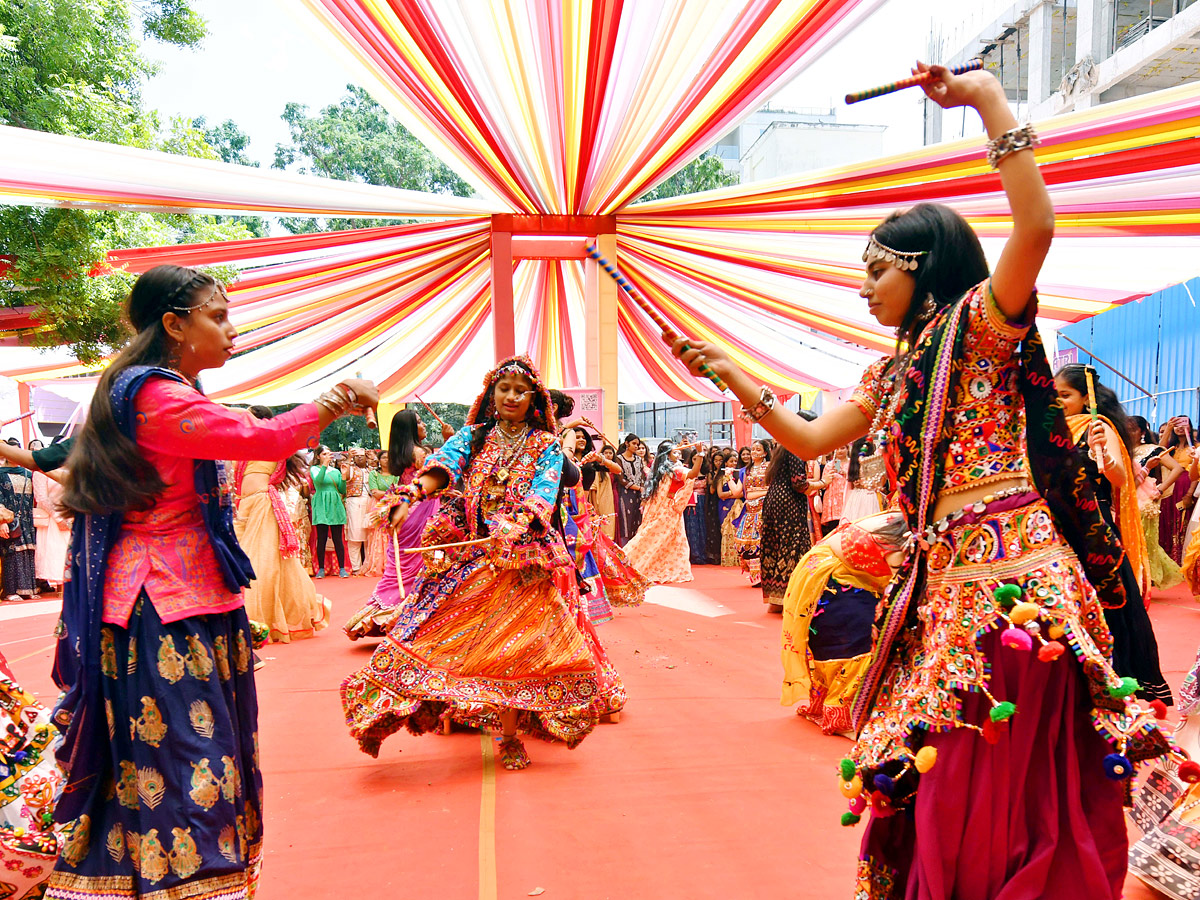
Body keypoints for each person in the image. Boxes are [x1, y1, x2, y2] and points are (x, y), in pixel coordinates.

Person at [669, 64, 1169, 899]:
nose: (864, 288)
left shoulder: (979, 324)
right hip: (946, 593)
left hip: (1016, 599)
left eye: (878, 271)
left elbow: (1035, 227)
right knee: (945, 781)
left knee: (1003, 782)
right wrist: (734, 375)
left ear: (922, 267)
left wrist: (987, 103)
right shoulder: (892, 371)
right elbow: (808, 432)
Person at [44, 264, 377, 900]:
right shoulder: (154, 397)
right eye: (217, 317)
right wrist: (336, 398)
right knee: (189, 763)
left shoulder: (158, 390)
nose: (232, 330)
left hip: (189, 594)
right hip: (159, 603)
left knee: (183, 760)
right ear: (174, 325)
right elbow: (266, 437)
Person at [341, 356, 606, 771]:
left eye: (521, 390)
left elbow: (545, 489)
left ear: (534, 397)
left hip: (522, 562)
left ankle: (510, 736)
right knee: (431, 630)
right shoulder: (474, 436)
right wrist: (410, 498)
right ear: (491, 394)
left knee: (516, 651)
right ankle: (406, 703)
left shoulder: (546, 445)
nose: (512, 396)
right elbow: (444, 466)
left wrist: (519, 522)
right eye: (505, 388)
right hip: (473, 557)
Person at [1054, 365, 1172, 705]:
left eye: (1066, 395)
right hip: (1058, 529)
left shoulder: (1098, 427)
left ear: (1086, 398)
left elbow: (1121, 480)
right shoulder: (1052, 430)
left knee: (1103, 604)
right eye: (1055, 394)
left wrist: (1105, 456)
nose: (1058, 401)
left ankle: (1109, 681)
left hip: (1094, 529)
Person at [781, 511, 910, 736]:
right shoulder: (899, 544)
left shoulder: (896, 520)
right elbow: (901, 594)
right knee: (866, 637)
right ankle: (843, 711)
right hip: (833, 585)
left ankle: (834, 701)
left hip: (829, 577)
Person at [232, 407, 332, 644]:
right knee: (247, 560)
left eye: (251, 417)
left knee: (263, 563)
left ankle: (257, 621)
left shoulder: (271, 444)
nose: (245, 421)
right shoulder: (243, 448)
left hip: (262, 505)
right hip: (243, 506)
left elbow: (298, 431)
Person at [344, 410, 441, 641]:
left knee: (401, 565)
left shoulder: (400, 454)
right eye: (418, 422)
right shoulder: (419, 453)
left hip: (405, 514)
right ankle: (408, 615)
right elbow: (440, 476)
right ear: (409, 428)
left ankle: (386, 612)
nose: (424, 424)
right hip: (420, 511)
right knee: (420, 564)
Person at [621, 443, 704, 584]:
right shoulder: (674, 469)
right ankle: (629, 563)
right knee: (663, 540)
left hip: (656, 509)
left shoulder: (658, 470)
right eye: (675, 452)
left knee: (649, 538)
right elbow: (693, 474)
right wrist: (700, 454)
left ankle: (625, 562)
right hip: (668, 510)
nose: (678, 455)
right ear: (667, 455)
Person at [1130, 415, 1184, 592]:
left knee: (1144, 541)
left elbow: (1177, 468)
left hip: (1146, 500)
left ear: (1142, 432)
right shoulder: (1123, 449)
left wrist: (1161, 488)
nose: (1129, 432)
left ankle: (1142, 581)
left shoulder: (1153, 449)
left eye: (1133, 429)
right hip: (1126, 499)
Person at [759, 445, 813, 613]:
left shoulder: (781, 450)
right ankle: (790, 599)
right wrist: (823, 482)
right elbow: (799, 484)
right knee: (793, 547)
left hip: (773, 500)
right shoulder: (796, 449)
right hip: (789, 502)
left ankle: (775, 601)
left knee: (774, 547)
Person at [0, 446, 37, 602]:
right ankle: (11, 591)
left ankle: (28, 588)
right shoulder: (0, 474)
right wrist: (1, 521)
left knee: (27, 551)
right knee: (11, 552)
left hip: (27, 519)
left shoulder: (29, 474)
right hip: (9, 519)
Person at [1160, 416, 1198, 564]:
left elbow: (1197, 474)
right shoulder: (1171, 448)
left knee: (1183, 521)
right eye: (1177, 425)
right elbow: (1159, 451)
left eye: (1184, 424)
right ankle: (1168, 558)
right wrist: (1168, 428)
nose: (1180, 427)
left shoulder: (1195, 448)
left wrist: (1189, 494)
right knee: (1167, 519)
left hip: (1187, 487)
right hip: (1170, 487)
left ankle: (1182, 558)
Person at [32, 444, 70, 591]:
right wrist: (59, 517)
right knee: (55, 553)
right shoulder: (41, 471)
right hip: (52, 517)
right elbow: (41, 498)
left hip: (71, 515)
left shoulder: (72, 470)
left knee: (68, 552)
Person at [734, 439, 771, 586]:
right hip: (750, 510)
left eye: (758, 450)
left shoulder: (768, 468)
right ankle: (756, 576)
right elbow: (740, 492)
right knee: (746, 544)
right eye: (753, 449)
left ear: (765, 453)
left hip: (763, 509)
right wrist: (729, 478)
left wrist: (757, 493)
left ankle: (763, 575)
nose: (754, 452)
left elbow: (771, 487)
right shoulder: (747, 470)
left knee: (762, 542)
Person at [309, 446, 348, 578]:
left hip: (335, 503)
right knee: (322, 537)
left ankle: (342, 568)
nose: (328, 456)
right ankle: (321, 568)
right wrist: (324, 466)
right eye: (324, 454)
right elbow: (318, 481)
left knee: (338, 538)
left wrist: (343, 476)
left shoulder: (336, 471)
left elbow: (342, 490)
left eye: (329, 454)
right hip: (321, 503)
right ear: (318, 456)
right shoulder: (314, 469)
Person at [342, 448, 372, 574]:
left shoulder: (372, 470)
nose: (359, 458)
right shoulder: (349, 468)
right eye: (356, 456)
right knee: (355, 534)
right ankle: (356, 567)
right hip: (355, 501)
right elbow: (346, 477)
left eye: (362, 456)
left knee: (369, 534)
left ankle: (368, 565)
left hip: (370, 502)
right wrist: (348, 459)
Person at [842, 437, 886, 522]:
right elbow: (880, 483)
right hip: (869, 496)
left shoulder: (853, 465)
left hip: (855, 496)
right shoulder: (873, 464)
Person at [614, 435, 646, 544]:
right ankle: (625, 550)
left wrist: (642, 490)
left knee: (638, 521)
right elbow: (621, 479)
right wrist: (639, 488)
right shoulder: (619, 458)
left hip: (639, 495)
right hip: (625, 494)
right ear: (627, 443)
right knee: (626, 522)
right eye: (634, 444)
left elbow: (642, 476)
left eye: (637, 444)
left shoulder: (638, 459)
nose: (636, 446)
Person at [585, 442, 620, 540]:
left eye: (610, 453)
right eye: (606, 453)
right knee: (603, 526)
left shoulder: (610, 469)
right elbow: (593, 489)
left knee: (610, 524)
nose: (608, 455)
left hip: (612, 499)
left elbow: (618, 470)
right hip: (601, 501)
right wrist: (595, 507)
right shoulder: (597, 470)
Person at [717, 450, 744, 567]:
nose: (733, 464)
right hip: (725, 507)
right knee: (726, 532)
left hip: (737, 506)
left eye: (735, 461)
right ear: (726, 463)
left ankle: (738, 559)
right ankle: (728, 559)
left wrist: (729, 493)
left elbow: (741, 494)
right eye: (731, 461)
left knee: (736, 531)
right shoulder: (721, 477)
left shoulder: (739, 475)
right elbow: (720, 495)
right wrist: (731, 492)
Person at [821, 445, 850, 536]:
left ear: (847, 449)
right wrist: (828, 477)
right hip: (833, 503)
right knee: (833, 531)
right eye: (837, 448)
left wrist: (845, 474)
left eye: (842, 448)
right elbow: (823, 485)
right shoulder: (831, 465)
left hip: (848, 500)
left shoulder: (852, 464)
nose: (839, 451)